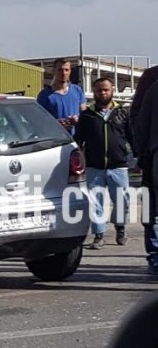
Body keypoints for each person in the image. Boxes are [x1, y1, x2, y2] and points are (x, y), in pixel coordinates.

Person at [73, 78, 132, 249]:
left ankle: (120, 229)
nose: (103, 93)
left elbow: (132, 136)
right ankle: (99, 235)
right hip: (94, 166)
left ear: (112, 90)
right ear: (94, 91)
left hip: (118, 166)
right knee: (95, 203)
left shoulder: (122, 113)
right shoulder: (87, 115)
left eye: (106, 89)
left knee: (122, 201)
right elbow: (78, 140)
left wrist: (139, 157)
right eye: (99, 90)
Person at [131, 65, 158, 274]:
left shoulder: (153, 83)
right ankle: (156, 255)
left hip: (152, 152)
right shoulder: (152, 79)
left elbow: (139, 118)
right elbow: (138, 117)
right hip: (152, 153)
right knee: (152, 207)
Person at [37, 58, 87, 134]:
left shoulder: (77, 90)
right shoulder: (44, 95)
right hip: (55, 140)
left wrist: (77, 120)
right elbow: (39, 120)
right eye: (60, 70)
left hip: (76, 140)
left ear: (70, 71)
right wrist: (56, 124)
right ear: (53, 71)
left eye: (66, 70)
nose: (63, 73)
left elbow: (84, 114)